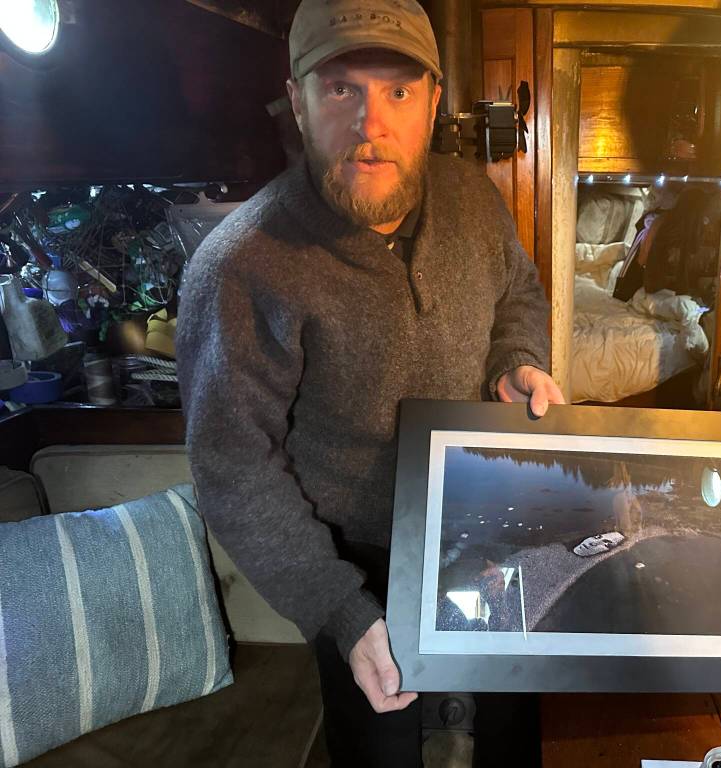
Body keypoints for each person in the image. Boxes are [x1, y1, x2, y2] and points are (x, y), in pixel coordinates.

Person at [175, 0, 564, 764]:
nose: (370, 122)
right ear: (297, 99)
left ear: (433, 100)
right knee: (378, 750)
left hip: (491, 526)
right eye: (341, 89)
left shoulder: (474, 199)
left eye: (397, 91)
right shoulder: (237, 268)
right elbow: (233, 469)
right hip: (353, 563)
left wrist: (516, 361)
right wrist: (338, 609)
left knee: (514, 739)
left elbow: (518, 292)